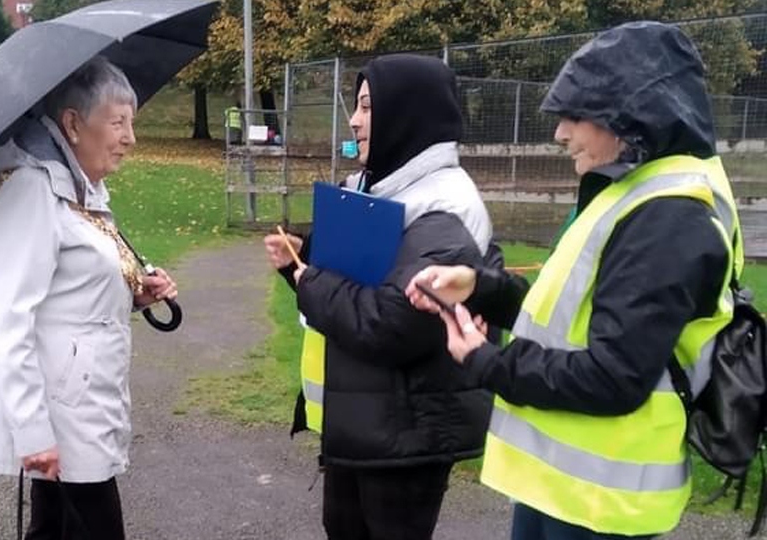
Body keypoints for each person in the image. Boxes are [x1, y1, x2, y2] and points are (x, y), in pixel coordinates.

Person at [406, 21, 744, 539]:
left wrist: (486, 362)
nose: (561, 133)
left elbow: (613, 377)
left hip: (603, 503)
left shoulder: (669, 216)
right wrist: (482, 288)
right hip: (566, 492)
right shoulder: (632, 192)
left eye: (575, 115)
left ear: (633, 116)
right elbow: (568, 317)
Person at [264, 54, 496, 540]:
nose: (354, 119)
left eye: (367, 107)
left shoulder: (445, 207)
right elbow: (354, 289)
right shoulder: (379, 189)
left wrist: (310, 280)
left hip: (407, 437)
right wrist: (302, 262)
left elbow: (390, 323)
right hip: (363, 425)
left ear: (406, 115)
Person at [0, 56, 178, 540]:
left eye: (133, 123)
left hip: (83, 408)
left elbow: (72, 293)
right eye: (118, 122)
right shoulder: (30, 190)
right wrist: (32, 430)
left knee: (58, 530)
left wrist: (136, 296)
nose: (131, 138)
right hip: (60, 417)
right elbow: (6, 318)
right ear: (73, 124)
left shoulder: (79, 190)